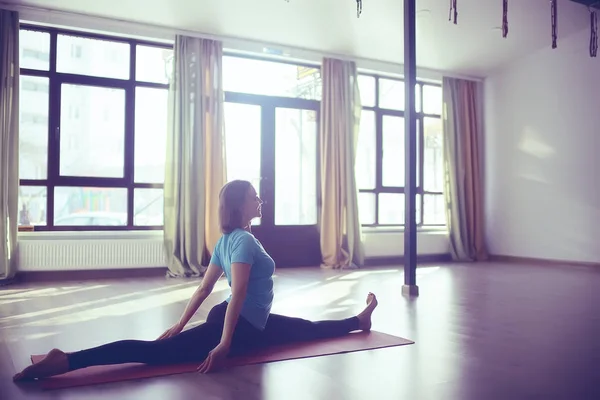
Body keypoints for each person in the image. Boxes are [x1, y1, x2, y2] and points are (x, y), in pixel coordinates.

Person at [13, 180, 378, 382]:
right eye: (255, 197)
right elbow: (237, 295)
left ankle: (359, 321)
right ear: (240, 205)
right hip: (240, 327)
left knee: (304, 328)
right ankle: (68, 361)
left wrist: (180, 322)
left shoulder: (227, 240)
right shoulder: (244, 242)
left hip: (248, 322)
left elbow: (206, 289)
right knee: (151, 354)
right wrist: (222, 344)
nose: (260, 200)